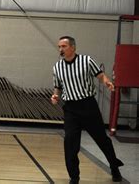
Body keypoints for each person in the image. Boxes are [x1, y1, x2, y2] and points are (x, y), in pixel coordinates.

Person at [51, 36, 124, 184]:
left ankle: (114, 167)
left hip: (88, 106)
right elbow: (58, 87)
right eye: (59, 47)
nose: (61, 49)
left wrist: (107, 82)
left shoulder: (86, 61)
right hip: (71, 109)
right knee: (70, 143)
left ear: (73, 47)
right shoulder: (57, 67)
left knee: (102, 140)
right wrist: (55, 96)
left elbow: (100, 75)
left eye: (64, 46)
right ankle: (74, 177)